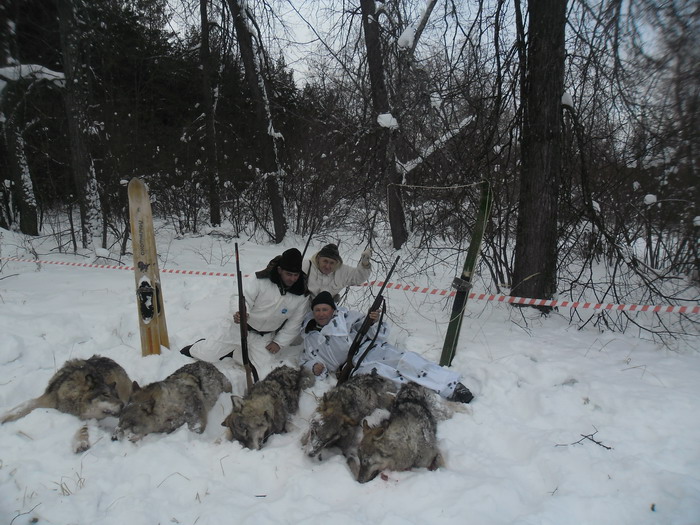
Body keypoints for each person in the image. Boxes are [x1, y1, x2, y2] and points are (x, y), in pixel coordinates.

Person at [299, 291, 474, 403]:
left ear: (333, 310)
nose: (321, 314)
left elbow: (379, 333)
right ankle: (430, 398)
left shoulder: (347, 318)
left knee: (407, 362)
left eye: (325, 309)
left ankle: (451, 385)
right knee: (388, 379)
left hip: (372, 350)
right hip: (352, 368)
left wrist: (372, 321)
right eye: (318, 310)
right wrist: (314, 367)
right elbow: (306, 360)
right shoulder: (310, 337)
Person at [182, 248, 309, 368]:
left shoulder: (301, 293)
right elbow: (241, 297)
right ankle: (199, 347)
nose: (292, 279)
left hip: (263, 337)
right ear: (280, 270)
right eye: (289, 274)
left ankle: (235, 353)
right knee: (207, 355)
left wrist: (279, 342)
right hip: (240, 327)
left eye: (296, 275)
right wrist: (240, 312)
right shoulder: (260, 279)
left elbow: (294, 323)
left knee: (261, 369)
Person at [304, 243, 372, 301]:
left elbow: (358, 278)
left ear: (336, 262)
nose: (327, 266)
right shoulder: (306, 266)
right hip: (305, 311)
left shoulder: (342, 270)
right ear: (318, 258)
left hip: (327, 313)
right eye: (325, 261)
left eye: (332, 263)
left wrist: (365, 263)